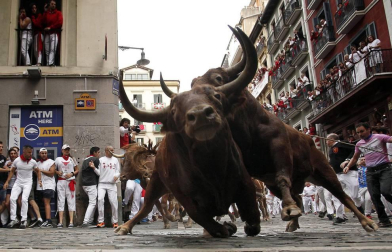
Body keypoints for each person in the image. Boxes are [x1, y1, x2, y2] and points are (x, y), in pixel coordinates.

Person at [344, 122, 392, 227]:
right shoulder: (359, 144)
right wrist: (348, 165)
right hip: (370, 171)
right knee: (374, 196)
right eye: (358, 132)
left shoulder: (379, 137)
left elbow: (390, 139)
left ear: (368, 129)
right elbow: (355, 157)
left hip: (384, 168)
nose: (360, 134)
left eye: (362, 131)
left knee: (386, 192)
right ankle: (384, 220)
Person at [326, 133, 362, 225]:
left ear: (332, 139)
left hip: (349, 173)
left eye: (327, 140)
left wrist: (347, 160)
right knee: (336, 195)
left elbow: (354, 150)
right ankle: (340, 216)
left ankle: (359, 206)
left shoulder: (342, 143)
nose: (326, 142)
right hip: (338, 174)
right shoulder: (330, 150)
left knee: (354, 195)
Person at [4, 145, 41, 229]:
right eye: (29, 152)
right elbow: (12, 171)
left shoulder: (33, 161)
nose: (30, 154)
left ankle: (23, 220)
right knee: (12, 198)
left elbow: (38, 171)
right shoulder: (17, 161)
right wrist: (7, 182)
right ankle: (13, 219)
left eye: (31, 152)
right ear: (24, 152)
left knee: (24, 199)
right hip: (18, 182)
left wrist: (39, 180)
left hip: (28, 182)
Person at [55, 144, 78, 228]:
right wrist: (57, 172)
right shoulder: (58, 159)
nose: (67, 151)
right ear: (62, 150)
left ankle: (71, 221)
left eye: (68, 150)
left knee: (71, 201)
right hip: (61, 181)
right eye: (65, 150)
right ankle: (60, 221)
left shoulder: (72, 159)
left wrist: (71, 174)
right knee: (60, 201)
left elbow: (77, 170)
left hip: (70, 182)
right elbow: (53, 169)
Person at [97, 146, 120, 228]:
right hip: (102, 183)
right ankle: (101, 221)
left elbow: (118, 171)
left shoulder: (115, 160)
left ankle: (115, 221)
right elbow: (98, 172)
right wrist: (93, 168)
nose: (113, 152)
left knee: (114, 202)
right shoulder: (101, 160)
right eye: (111, 150)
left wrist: (116, 176)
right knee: (100, 199)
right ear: (106, 151)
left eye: (113, 150)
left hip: (112, 184)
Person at [81, 147, 101, 228]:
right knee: (92, 202)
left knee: (94, 202)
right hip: (91, 183)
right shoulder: (95, 160)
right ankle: (85, 221)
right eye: (98, 152)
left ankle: (90, 220)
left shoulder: (86, 159)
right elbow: (99, 173)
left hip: (84, 184)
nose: (99, 154)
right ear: (94, 152)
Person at [36, 148, 56, 228]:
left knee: (46, 202)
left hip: (49, 185)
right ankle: (43, 220)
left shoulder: (51, 162)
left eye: (45, 153)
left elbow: (51, 173)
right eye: (42, 153)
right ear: (39, 154)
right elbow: (37, 173)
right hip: (40, 186)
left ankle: (49, 220)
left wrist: (41, 170)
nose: (44, 155)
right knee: (41, 203)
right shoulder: (37, 163)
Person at [0, 148, 18, 226]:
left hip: (18, 185)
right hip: (10, 185)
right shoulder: (7, 162)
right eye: (11, 153)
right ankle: (14, 218)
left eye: (14, 153)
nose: (13, 155)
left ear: (17, 154)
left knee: (20, 202)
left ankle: (21, 218)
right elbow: (4, 169)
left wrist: (10, 169)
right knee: (7, 203)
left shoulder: (19, 162)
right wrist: (8, 168)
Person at [43, 0, 63, 66]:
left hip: (54, 33)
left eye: (54, 4)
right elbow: (43, 21)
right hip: (47, 34)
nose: (53, 5)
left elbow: (60, 22)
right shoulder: (47, 13)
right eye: (52, 4)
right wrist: (45, 11)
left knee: (52, 49)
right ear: (49, 5)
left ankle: (50, 63)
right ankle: (48, 62)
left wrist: (51, 27)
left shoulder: (58, 13)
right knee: (47, 50)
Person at [0, 141, 7, 226]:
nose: (1, 148)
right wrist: (9, 169)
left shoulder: (3, 157)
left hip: (3, 182)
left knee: (4, 202)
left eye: (2, 147)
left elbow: (3, 166)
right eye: (0, 147)